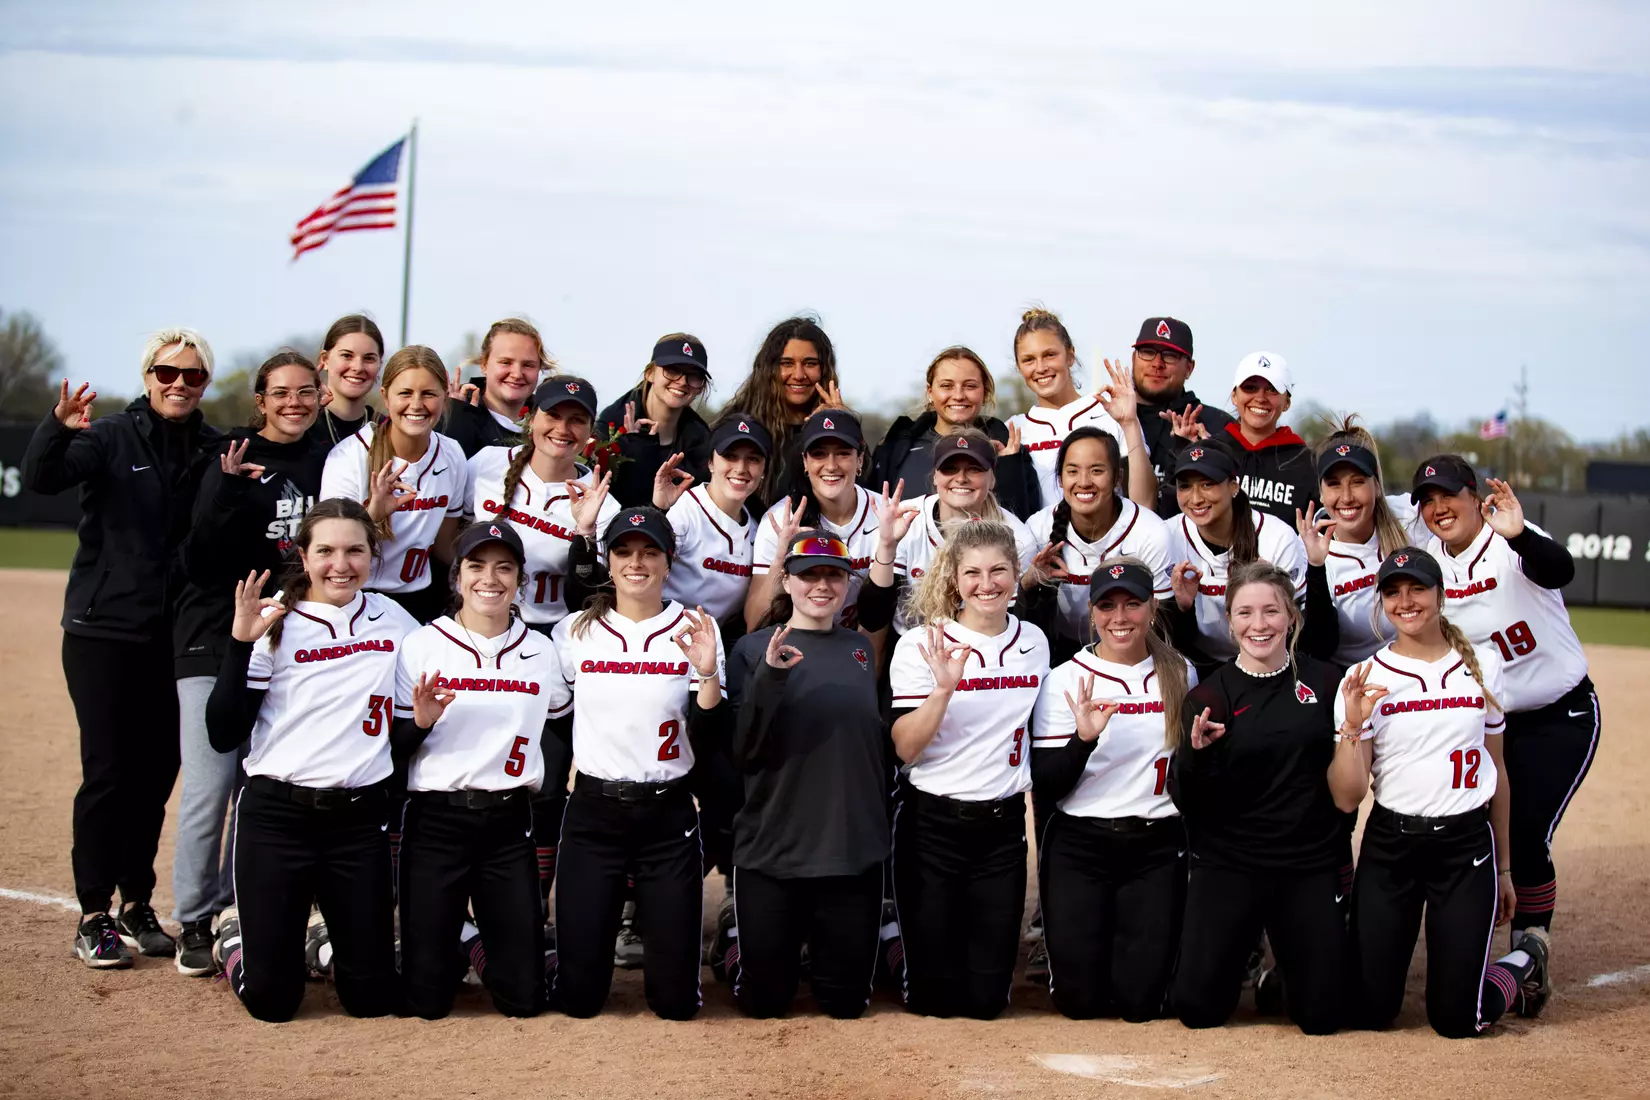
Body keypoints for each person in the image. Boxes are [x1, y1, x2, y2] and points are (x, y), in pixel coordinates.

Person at [22, 328, 220, 969]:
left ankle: (137, 901)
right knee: (109, 774)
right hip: (104, 633)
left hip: (176, 638)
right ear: (148, 376)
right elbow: (43, 478)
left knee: (157, 776)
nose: (179, 384)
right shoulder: (108, 436)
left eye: (192, 376)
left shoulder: (217, 449)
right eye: (168, 372)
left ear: (205, 384)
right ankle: (94, 913)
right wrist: (57, 427)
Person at [204, 499, 415, 1022]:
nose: (340, 565)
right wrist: (238, 643)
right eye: (325, 551)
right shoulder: (273, 620)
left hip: (356, 824)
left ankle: (321, 940)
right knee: (272, 1003)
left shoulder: (397, 622)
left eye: (354, 551)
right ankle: (234, 942)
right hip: (278, 819)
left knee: (371, 1001)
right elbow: (222, 732)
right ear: (303, 554)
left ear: (373, 556)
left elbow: (408, 726)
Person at [1329, 547, 1551, 1037]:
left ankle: (1523, 961)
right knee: (1370, 1011)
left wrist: (1506, 868)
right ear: (1381, 601)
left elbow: (1497, 769)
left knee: (1457, 1020)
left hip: (1465, 851)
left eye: (1417, 589)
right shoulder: (1364, 678)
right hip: (1391, 848)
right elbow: (1347, 798)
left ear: (1440, 594)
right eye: (1393, 591)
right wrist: (1351, 724)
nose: (1405, 601)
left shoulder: (1483, 665)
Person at [169, 350, 327, 976]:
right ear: (259, 401)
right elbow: (198, 559)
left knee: (264, 784)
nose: (294, 401)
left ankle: (240, 910)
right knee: (211, 785)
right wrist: (229, 491)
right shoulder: (230, 457)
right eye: (280, 392)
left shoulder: (328, 460)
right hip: (216, 637)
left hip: (291, 644)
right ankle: (193, 918)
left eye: (304, 392)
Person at [1411, 455, 1596, 982]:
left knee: (1527, 828)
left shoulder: (1510, 537)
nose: (1439, 508)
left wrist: (1520, 537)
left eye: (1448, 495)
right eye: (1428, 500)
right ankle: (1482, 940)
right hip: (1493, 723)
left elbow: (1559, 570)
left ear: (1474, 496)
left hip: (1559, 712)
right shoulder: (1431, 560)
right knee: (1481, 832)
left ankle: (1530, 947)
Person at [549, 507, 726, 1020]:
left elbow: (711, 732)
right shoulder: (574, 632)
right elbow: (559, 721)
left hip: (666, 813)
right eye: (624, 551)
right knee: (578, 1000)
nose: (637, 562)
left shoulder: (695, 627)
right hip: (594, 810)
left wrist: (709, 674)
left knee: (675, 1004)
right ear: (608, 560)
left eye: (650, 552)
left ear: (669, 563)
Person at [392, 521, 571, 1019]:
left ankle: (475, 940)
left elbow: (566, 725)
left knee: (524, 1001)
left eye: (504, 567)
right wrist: (421, 724)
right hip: (436, 823)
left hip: (508, 825)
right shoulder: (423, 644)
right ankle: (463, 934)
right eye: (476, 566)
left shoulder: (540, 650)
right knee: (426, 1002)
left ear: (521, 580)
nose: (489, 578)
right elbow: (394, 747)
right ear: (457, 577)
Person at [723, 528, 898, 1018]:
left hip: (848, 848)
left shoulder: (861, 651)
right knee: (766, 1004)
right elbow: (743, 747)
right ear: (786, 580)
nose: (821, 585)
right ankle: (737, 943)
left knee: (845, 1004)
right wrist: (772, 676)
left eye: (833, 576)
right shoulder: (753, 649)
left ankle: (880, 940)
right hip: (774, 846)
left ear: (848, 583)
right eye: (808, 575)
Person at [1169, 561, 1348, 1035]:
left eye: (1271, 611)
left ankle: (1280, 975)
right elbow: (1188, 801)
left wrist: (1332, 847)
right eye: (1245, 613)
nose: (1259, 624)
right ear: (1229, 621)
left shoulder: (1329, 684)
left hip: (1306, 863)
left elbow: (1347, 780)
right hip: (1230, 862)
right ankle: (1233, 961)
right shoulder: (1210, 695)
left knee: (1323, 1017)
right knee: (1198, 1010)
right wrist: (1198, 757)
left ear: (1291, 615)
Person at [888, 521, 1049, 1019]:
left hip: (1000, 832)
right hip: (932, 826)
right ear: (953, 580)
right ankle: (893, 950)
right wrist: (943, 691)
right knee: (934, 1001)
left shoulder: (1036, 642)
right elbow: (904, 749)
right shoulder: (922, 645)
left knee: (985, 1003)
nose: (987, 583)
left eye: (999, 570)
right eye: (973, 572)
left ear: (1016, 573)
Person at [1030, 559, 1193, 1021]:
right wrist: (1083, 740)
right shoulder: (1065, 679)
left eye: (1132, 604)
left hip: (1156, 844)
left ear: (1152, 606)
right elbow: (1047, 785)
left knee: (1141, 1004)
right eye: (1107, 605)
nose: (1120, 617)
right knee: (1080, 1003)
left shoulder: (1179, 673)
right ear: (1091, 611)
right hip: (1082, 845)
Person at [320, 345, 466, 624]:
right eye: (405, 393)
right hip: (354, 598)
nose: (416, 404)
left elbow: (446, 546)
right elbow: (329, 549)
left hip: (421, 599)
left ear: (445, 397)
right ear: (386, 397)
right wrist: (372, 514)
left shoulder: (452, 454)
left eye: (429, 394)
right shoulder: (350, 456)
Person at [466, 377, 620, 628]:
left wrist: (585, 534)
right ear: (532, 418)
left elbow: (588, 592)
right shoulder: (486, 463)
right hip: (473, 621)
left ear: (591, 431)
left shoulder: (604, 505)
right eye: (553, 415)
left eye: (577, 420)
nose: (563, 428)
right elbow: (449, 541)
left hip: (548, 630)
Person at [1022, 427, 1175, 665]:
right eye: (1073, 471)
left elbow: (1164, 627)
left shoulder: (1149, 531)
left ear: (1117, 478)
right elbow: (1023, 626)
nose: (1084, 482)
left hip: (1133, 652)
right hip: (1058, 654)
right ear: (1060, 479)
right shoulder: (1038, 528)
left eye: (1097, 470)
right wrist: (1028, 586)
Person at [1162, 442, 1309, 671]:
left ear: (1233, 486)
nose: (1196, 498)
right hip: (1197, 661)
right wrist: (1183, 608)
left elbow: (1299, 631)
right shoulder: (1167, 535)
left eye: (1207, 484)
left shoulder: (1277, 537)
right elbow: (1171, 639)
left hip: (1270, 661)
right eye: (1185, 486)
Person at [889, 431, 1039, 635]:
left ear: (993, 478)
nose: (961, 479)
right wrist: (885, 546)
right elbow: (876, 615)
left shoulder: (1017, 537)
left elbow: (1012, 620)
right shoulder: (907, 518)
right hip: (913, 641)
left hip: (987, 646)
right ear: (935, 476)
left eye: (974, 469)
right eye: (949, 469)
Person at [1004, 308, 1154, 512]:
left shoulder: (1109, 410)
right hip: (1041, 543)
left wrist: (1130, 424)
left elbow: (1145, 505)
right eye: (1029, 359)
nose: (1040, 368)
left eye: (1050, 355)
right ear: (1019, 367)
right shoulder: (1013, 430)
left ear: (1070, 356)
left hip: (1109, 541)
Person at [745, 409, 881, 632]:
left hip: (859, 644)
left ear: (860, 460)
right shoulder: (781, 519)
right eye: (818, 453)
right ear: (805, 463)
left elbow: (882, 620)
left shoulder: (884, 512)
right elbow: (754, 624)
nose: (830, 465)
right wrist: (782, 557)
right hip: (798, 646)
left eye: (843, 453)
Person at [867, 346, 1039, 519]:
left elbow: (1022, 527)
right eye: (946, 386)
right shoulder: (895, 448)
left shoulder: (1009, 450)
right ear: (930, 392)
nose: (958, 395)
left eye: (970, 386)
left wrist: (1008, 467)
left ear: (985, 392)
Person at [1299, 420, 1413, 666]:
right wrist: (1315, 566)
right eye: (1334, 484)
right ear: (1320, 492)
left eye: (1358, 481)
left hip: (1417, 669)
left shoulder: (1409, 516)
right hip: (1351, 681)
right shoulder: (1305, 550)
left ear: (1377, 486)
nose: (1347, 497)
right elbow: (1315, 649)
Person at [650, 415, 771, 633]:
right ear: (710, 463)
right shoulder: (685, 510)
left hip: (716, 644)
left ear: (764, 470)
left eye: (753, 459)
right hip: (662, 636)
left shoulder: (758, 526)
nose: (741, 468)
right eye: (730, 456)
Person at [1165, 352, 1315, 524]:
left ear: (1287, 401)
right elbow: (1172, 513)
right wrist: (1182, 453)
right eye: (1250, 388)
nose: (1260, 398)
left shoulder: (1305, 461)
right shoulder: (1211, 451)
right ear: (1235, 396)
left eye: (1272, 389)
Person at [721, 316, 847, 504]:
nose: (798, 375)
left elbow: (858, 494)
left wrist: (840, 428)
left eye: (810, 363)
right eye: (786, 363)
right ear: (769, 369)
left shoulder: (843, 428)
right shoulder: (737, 426)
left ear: (824, 370)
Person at [1127, 317, 1233, 517]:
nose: (1157, 364)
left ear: (1189, 368)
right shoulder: (1105, 418)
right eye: (1148, 353)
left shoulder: (1217, 424)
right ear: (1133, 359)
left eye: (1170, 356)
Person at [597, 334, 715, 507]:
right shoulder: (612, 424)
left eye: (694, 375)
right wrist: (636, 450)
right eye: (672, 370)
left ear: (701, 387)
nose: (682, 382)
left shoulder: (702, 441)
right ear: (650, 373)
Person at [442, 318, 552, 456]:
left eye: (528, 365)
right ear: (484, 364)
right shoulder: (450, 414)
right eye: (506, 362)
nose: (517, 374)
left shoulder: (552, 424)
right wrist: (455, 417)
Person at [309, 315, 385, 450]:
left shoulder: (388, 431)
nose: (358, 367)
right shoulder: (302, 427)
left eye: (369, 358)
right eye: (347, 356)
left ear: (380, 364)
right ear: (325, 360)